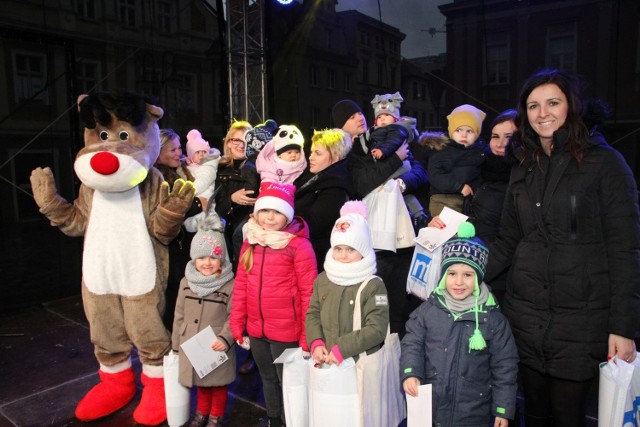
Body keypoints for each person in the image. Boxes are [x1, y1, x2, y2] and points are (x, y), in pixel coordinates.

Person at [485, 69, 640, 427]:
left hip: (582, 320)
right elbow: (509, 238)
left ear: (572, 106)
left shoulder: (605, 163)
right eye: (533, 106)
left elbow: (625, 249)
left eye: (553, 102)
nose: (543, 113)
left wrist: (623, 327)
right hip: (525, 318)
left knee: (568, 417)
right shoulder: (523, 165)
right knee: (532, 413)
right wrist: (462, 272)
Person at [401, 222, 519, 427]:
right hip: (433, 409)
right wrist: (411, 372)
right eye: (452, 274)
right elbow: (412, 344)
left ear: (478, 277)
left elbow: (505, 366)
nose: (458, 282)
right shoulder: (429, 311)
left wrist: (502, 408)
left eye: (468, 275)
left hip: (473, 414)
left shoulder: (493, 319)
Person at [332, 98, 427, 337]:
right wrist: (396, 158)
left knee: (405, 299)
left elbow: (419, 172)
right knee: (381, 301)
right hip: (377, 238)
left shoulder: (391, 137)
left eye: (359, 114)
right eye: (352, 117)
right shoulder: (355, 152)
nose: (359, 118)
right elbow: (363, 183)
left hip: (404, 232)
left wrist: (404, 182)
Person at [229, 181, 317, 427]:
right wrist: (237, 323)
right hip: (257, 330)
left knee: (290, 383)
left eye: (277, 211)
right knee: (268, 379)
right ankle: (274, 419)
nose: (269, 217)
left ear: (287, 215)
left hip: (286, 332)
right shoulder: (252, 241)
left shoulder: (299, 246)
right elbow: (241, 286)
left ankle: (293, 421)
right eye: (265, 210)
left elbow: (309, 295)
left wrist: (306, 337)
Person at [171, 212, 236, 427]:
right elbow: (179, 314)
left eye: (213, 257)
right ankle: (201, 411)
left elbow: (234, 316)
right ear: (193, 259)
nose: (207, 263)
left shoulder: (229, 285)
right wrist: (175, 344)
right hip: (191, 341)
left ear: (222, 259)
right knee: (201, 381)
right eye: (201, 257)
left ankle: (215, 416)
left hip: (215, 344)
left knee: (217, 383)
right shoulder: (185, 283)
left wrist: (226, 338)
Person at [305, 200, 388, 366]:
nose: (343, 255)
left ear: (363, 251)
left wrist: (342, 349)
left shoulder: (373, 285)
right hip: (327, 359)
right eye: (338, 249)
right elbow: (313, 313)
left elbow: (377, 329)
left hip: (359, 365)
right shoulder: (323, 279)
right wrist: (316, 342)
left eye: (351, 250)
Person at [155, 128, 205, 330]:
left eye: (179, 148)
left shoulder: (182, 170)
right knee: (174, 292)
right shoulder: (157, 178)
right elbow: (171, 208)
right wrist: (199, 204)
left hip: (188, 241)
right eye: (172, 149)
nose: (178, 153)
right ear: (158, 152)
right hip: (171, 245)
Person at [293, 128, 353, 270]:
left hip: (313, 261)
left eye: (318, 153)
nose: (310, 157)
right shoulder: (311, 177)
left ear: (336, 157)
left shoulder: (336, 188)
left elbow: (313, 224)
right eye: (312, 152)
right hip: (300, 254)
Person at [214, 120, 258, 272]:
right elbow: (212, 205)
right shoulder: (217, 168)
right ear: (228, 142)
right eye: (237, 140)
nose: (241, 145)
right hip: (224, 231)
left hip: (249, 229)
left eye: (246, 141)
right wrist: (232, 198)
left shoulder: (260, 168)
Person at [426, 104, 486, 216]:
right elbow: (435, 175)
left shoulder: (478, 153)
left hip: (467, 202)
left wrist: (474, 187)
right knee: (447, 231)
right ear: (451, 132)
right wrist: (458, 186)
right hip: (443, 200)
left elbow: (478, 176)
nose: (464, 135)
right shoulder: (442, 150)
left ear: (476, 134)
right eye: (459, 130)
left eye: (470, 131)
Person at [184, 128, 221, 209]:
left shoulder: (208, 166)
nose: (201, 155)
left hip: (205, 200)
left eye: (204, 152)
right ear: (190, 154)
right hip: (194, 203)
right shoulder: (186, 166)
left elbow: (202, 182)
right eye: (197, 152)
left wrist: (185, 195)